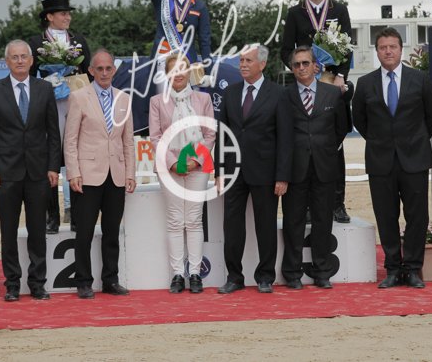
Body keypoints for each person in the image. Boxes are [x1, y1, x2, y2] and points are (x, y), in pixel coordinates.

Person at [352, 27, 432, 289]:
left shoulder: (420, 79)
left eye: (392, 46)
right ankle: (392, 269)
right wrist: (381, 141)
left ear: (401, 49)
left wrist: (414, 140)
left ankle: (413, 269)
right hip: (380, 161)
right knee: (386, 216)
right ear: (377, 51)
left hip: (415, 159)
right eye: (383, 47)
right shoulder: (365, 83)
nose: (388, 51)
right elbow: (360, 120)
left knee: (417, 217)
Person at [0, 40, 61, 302]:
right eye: (14, 57)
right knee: (9, 232)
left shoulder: (44, 89)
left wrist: (53, 166)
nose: (19, 61)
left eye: (23, 56)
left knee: (37, 231)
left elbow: (53, 133)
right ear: (7, 62)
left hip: (39, 173)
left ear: (31, 60)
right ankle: (12, 284)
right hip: (6, 174)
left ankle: (37, 283)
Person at [280, 0, 354, 224]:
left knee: (335, 145)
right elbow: (285, 50)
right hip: (305, 86)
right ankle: (310, 206)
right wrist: (302, 68)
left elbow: (348, 47)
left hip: (332, 85)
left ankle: (337, 203)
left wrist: (340, 76)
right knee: (307, 146)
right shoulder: (294, 13)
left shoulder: (340, 10)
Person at [216, 45, 292, 294]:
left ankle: (265, 276)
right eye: (241, 60)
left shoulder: (279, 94)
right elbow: (222, 134)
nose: (243, 65)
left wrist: (282, 175)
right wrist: (219, 170)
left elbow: (285, 138)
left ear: (262, 64)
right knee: (232, 226)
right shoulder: (230, 93)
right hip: (233, 171)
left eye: (248, 60)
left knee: (266, 225)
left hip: (266, 172)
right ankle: (234, 277)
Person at [65, 49, 136, 299]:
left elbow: (128, 141)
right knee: (84, 232)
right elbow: (70, 140)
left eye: (108, 68)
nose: (104, 73)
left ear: (114, 70)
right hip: (87, 176)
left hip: (116, 175)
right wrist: (73, 173)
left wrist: (130, 173)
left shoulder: (124, 99)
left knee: (111, 232)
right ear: (91, 71)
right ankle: (83, 281)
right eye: (100, 69)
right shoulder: (78, 97)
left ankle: (110, 280)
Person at [149, 53, 216, 294]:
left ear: (189, 72)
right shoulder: (157, 101)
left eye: (182, 69)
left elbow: (210, 133)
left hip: (197, 166)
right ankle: (177, 274)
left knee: (194, 219)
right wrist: (174, 162)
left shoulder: (203, 99)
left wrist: (194, 161)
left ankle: (195, 274)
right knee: (175, 220)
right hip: (170, 167)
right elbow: (155, 136)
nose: (178, 74)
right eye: (173, 70)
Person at [282, 45, 348, 289]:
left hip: (325, 167)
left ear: (315, 66)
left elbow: (341, 128)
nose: (301, 68)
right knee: (293, 222)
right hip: (295, 169)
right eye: (297, 64)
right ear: (292, 68)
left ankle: (322, 272)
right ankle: (292, 273)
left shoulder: (332, 94)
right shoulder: (284, 95)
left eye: (305, 63)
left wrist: (325, 149)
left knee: (323, 220)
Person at [28, 0, 91, 234]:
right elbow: (30, 76)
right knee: (50, 157)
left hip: (74, 101)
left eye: (69, 13)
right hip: (50, 105)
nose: (68, 17)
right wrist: (48, 82)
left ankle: (76, 214)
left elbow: (88, 73)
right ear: (49, 16)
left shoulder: (78, 40)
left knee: (76, 156)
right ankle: (51, 216)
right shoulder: (36, 42)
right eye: (63, 13)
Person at [128, 0, 212, 88]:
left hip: (188, 61)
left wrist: (208, 70)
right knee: (163, 100)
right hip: (163, 60)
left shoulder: (199, 6)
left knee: (191, 100)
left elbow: (205, 41)